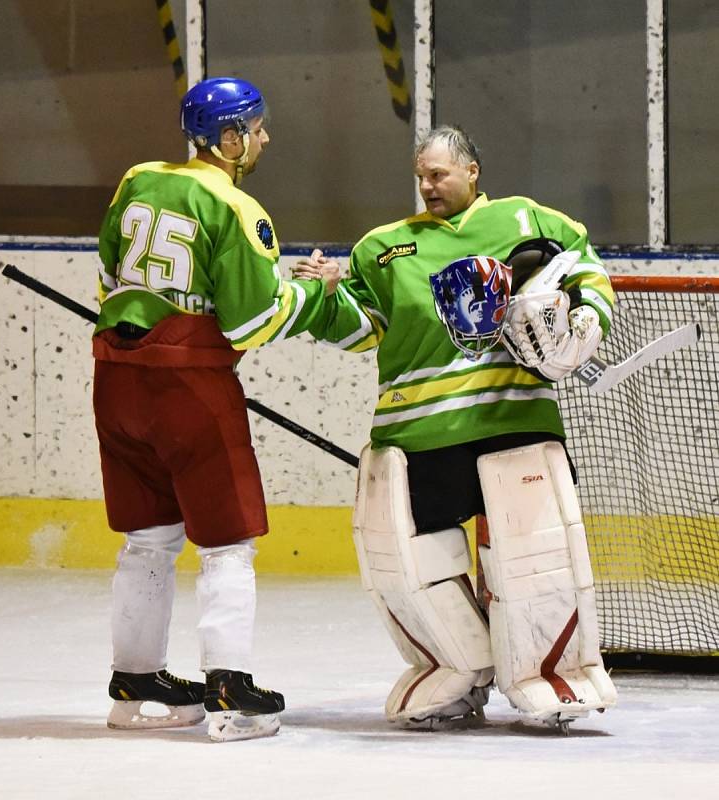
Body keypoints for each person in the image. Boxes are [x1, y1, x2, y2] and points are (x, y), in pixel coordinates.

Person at [294, 125, 617, 733]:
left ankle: (550, 678)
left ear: (471, 171)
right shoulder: (383, 247)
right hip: (419, 436)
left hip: (511, 421)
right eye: (421, 175)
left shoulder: (528, 220)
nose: (427, 185)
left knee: (535, 560)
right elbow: (357, 329)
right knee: (410, 565)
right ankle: (452, 674)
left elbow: (590, 278)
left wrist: (580, 324)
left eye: (439, 174)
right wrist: (321, 296)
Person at [93, 77, 336, 742]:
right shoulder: (235, 205)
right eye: (255, 129)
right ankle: (229, 685)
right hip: (188, 388)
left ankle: (135, 680)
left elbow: (110, 277)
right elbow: (256, 318)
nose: (264, 139)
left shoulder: (137, 180)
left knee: (146, 540)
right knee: (229, 542)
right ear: (229, 137)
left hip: (114, 381)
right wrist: (312, 294)